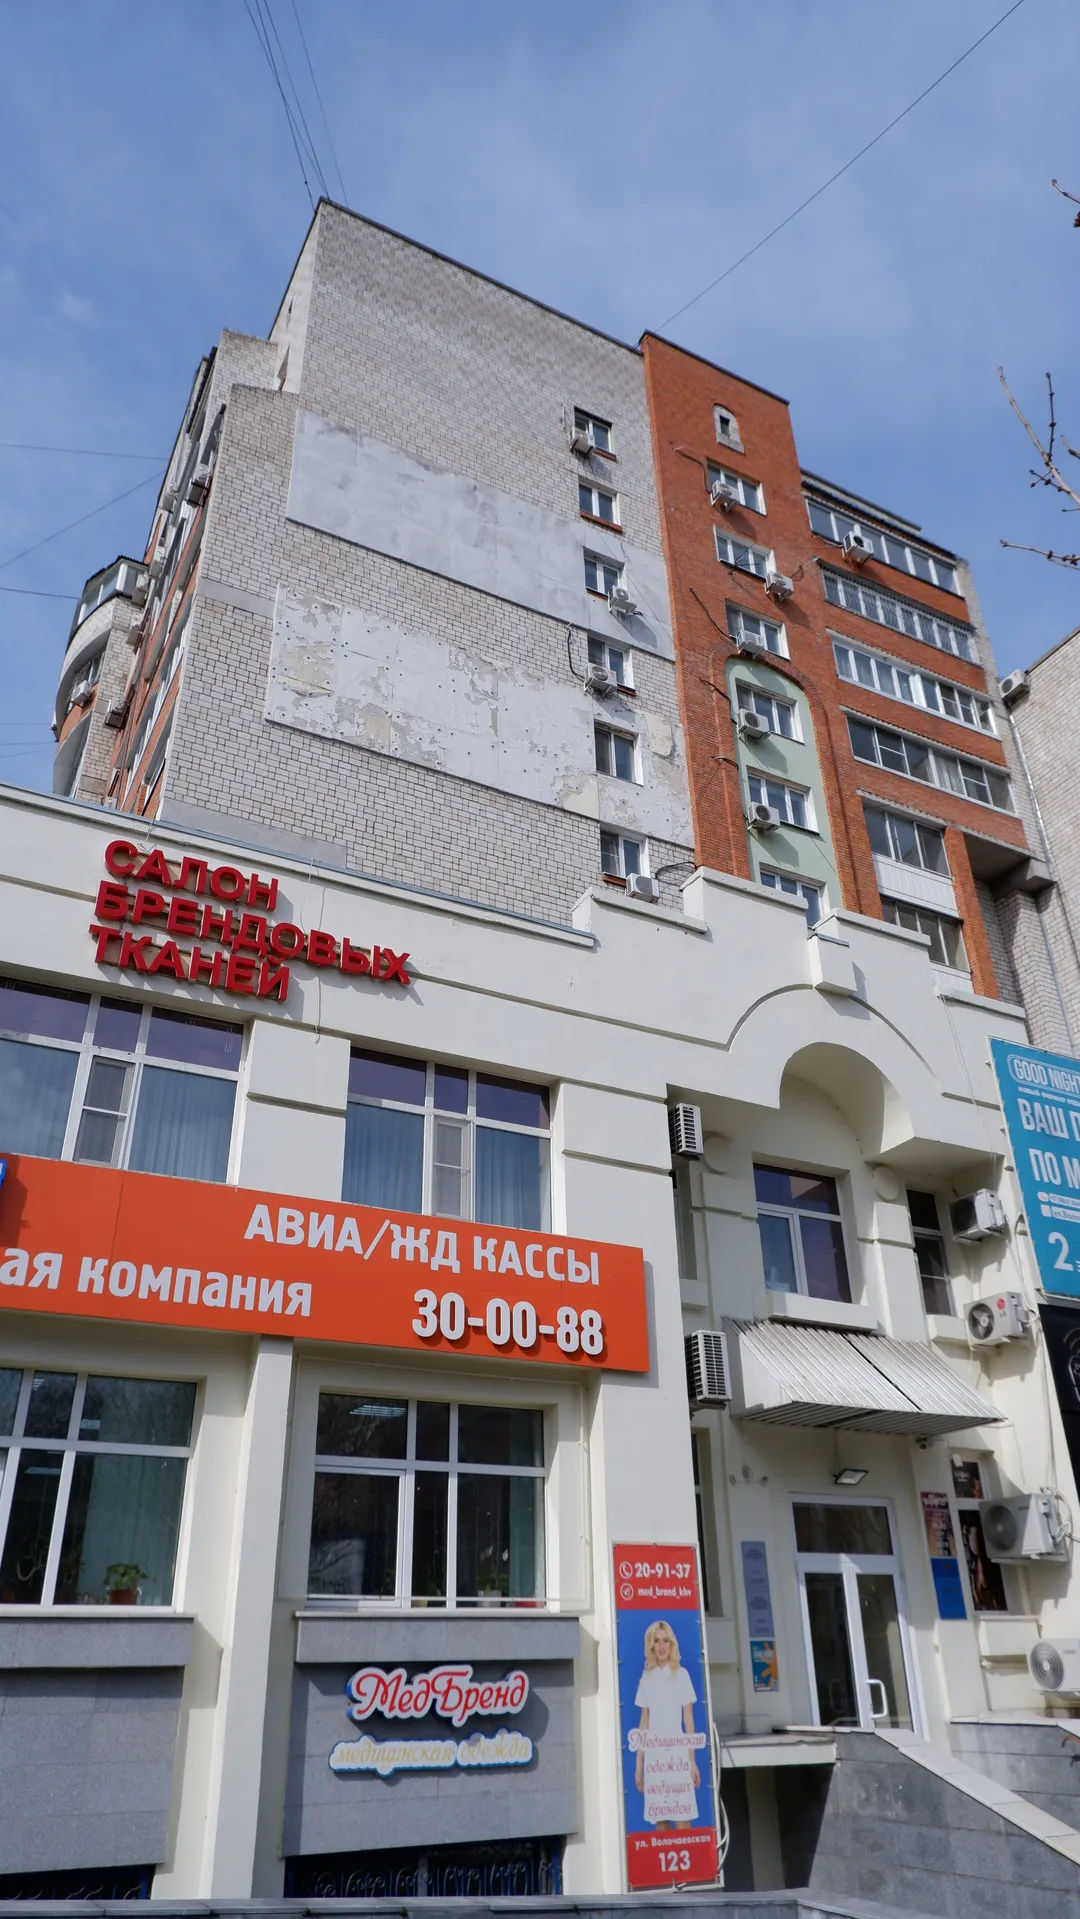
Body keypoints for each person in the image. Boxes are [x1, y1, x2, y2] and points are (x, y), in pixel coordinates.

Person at [633, 1618, 699, 1829]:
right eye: (657, 1641)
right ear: (650, 1644)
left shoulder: (682, 1675)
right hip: (655, 1758)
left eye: (666, 1641)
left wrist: (692, 1760)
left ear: (672, 1644)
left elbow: (688, 1720)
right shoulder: (646, 1678)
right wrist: (639, 1762)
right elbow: (644, 1721)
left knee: (683, 1820)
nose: (661, 1646)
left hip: (678, 1756)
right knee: (661, 1824)